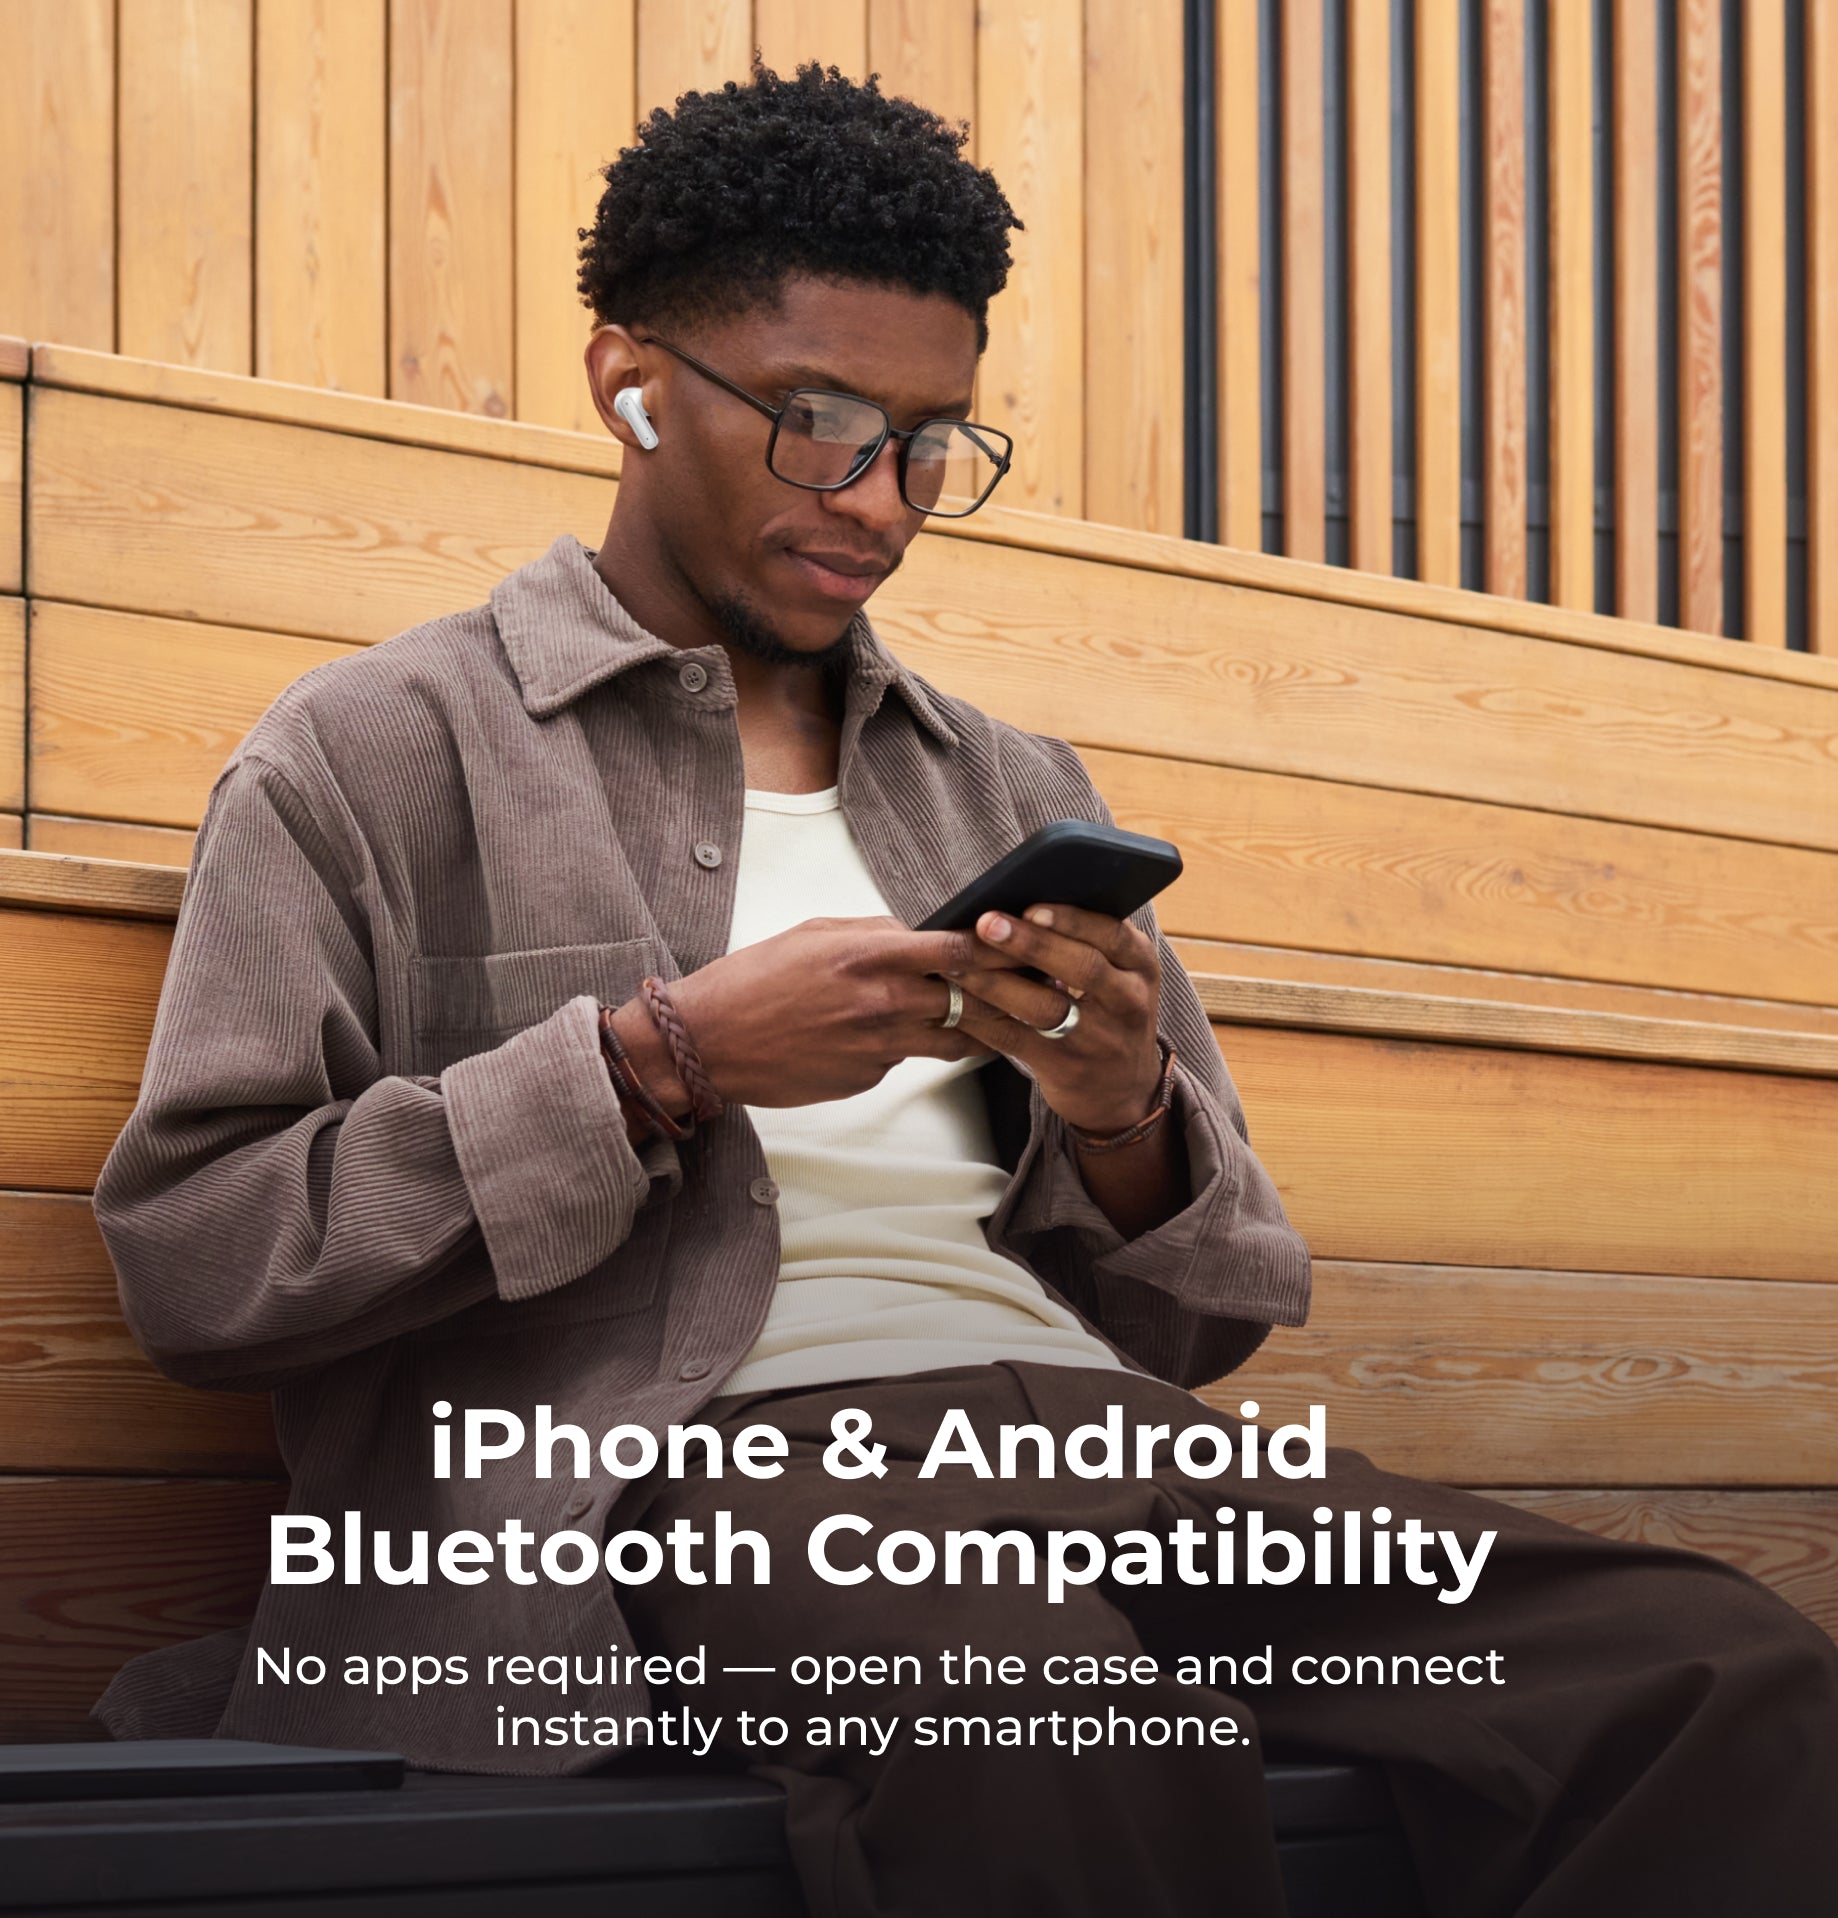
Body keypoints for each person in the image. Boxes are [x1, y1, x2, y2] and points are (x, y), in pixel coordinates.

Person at [93, 62, 1838, 1918]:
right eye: (820, 421)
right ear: (629, 384)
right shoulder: (374, 752)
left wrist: (1120, 1118)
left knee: (1713, 1671)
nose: (883, 501)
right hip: (690, 1473)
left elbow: (1216, 1300)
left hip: (1096, 1438)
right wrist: (656, 1060)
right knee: (1053, 1719)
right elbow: (198, 1254)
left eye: (933, 441)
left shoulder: (1014, 785)